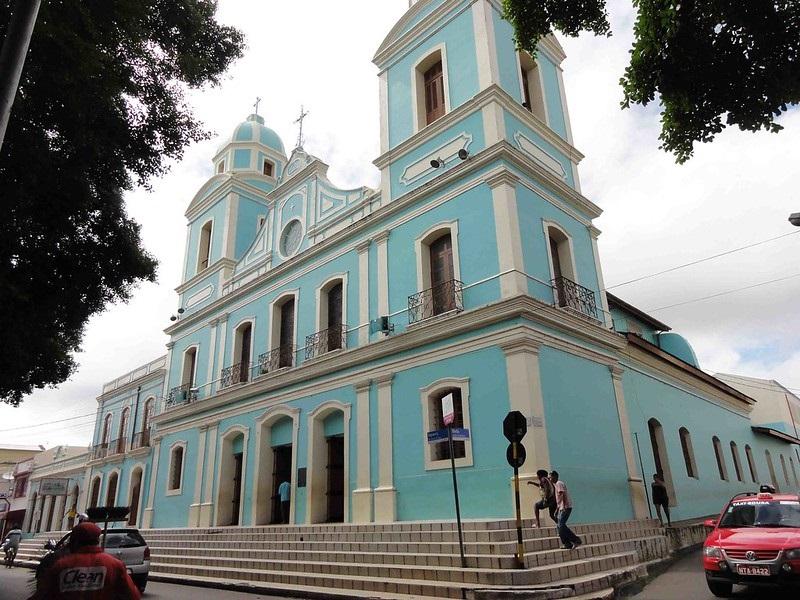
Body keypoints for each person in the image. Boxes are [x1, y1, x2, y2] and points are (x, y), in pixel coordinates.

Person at [29, 521, 140, 600]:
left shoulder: (62, 565)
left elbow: (43, 594)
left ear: (75, 541)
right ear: (98, 540)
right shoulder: (114, 565)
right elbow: (133, 595)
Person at [550, 471, 582, 550]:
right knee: (559, 525)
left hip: (566, 507)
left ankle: (576, 540)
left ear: (555, 476)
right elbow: (559, 498)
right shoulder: (556, 485)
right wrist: (557, 509)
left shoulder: (559, 483)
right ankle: (567, 544)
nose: (549, 478)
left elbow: (562, 495)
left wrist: (563, 506)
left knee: (561, 525)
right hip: (562, 507)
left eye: (550, 477)